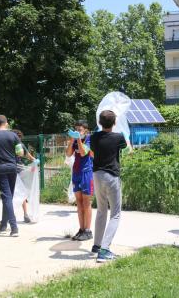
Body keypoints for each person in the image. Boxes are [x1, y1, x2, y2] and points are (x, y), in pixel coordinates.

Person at [90, 110, 129, 262]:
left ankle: (97, 245)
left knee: (101, 210)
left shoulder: (94, 137)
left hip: (97, 175)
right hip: (111, 176)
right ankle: (105, 250)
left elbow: (93, 151)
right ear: (114, 123)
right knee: (115, 214)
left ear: (99, 122)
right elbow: (126, 148)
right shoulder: (118, 137)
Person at [66, 121, 94, 241]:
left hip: (86, 172)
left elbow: (83, 153)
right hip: (76, 172)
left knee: (86, 202)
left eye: (80, 130)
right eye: (76, 129)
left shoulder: (89, 139)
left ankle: (88, 230)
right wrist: (72, 140)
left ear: (85, 131)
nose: (78, 132)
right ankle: (81, 229)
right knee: (79, 202)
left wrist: (78, 139)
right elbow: (68, 154)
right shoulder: (75, 140)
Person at [12, 129, 37, 224]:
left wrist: (34, 160)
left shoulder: (12, 145)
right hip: (17, 170)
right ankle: (24, 214)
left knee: (15, 192)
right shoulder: (19, 144)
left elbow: (28, 155)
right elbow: (28, 156)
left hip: (14, 171)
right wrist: (35, 160)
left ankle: (15, 214)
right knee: (20, 192)